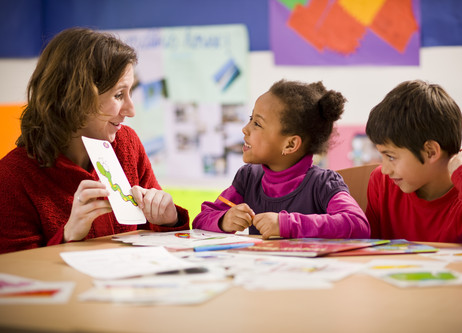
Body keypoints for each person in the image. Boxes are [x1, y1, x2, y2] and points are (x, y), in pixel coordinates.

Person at [0, 27, 189, 254]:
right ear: (75, 98)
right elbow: (16, 275)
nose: (131, 110)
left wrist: (169, 219)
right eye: (119, 95)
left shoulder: (128, 143)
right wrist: (68, 235)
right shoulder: (12, 177)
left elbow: (159, 240)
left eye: (131, 93)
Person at [193, 79, 369, 239]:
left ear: (290, 144)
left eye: (257, 124)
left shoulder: (323, 183)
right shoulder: (248, 177)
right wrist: (224, 219)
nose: (245, 129)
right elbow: (201, 219)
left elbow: (358, 224)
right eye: (250, 119)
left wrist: (286, 225)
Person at [365, 79, 462, 248]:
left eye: (391, 156)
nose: (385, 169)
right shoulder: (381, 183)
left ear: (431, 152)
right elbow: (367, 246)